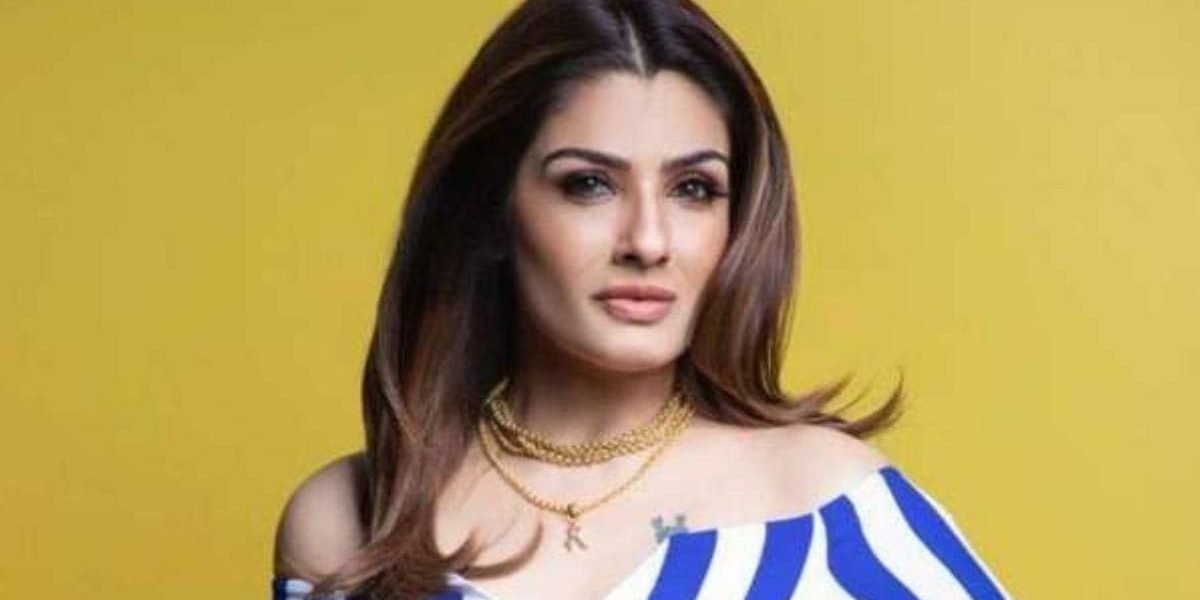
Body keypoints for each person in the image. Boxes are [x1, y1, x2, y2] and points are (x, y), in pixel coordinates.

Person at [271, 0, 1011, 598]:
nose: (649, 241)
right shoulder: (349, 521)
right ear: (490, 210)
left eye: (694, 189)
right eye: (589, 184)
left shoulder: (825, 506)